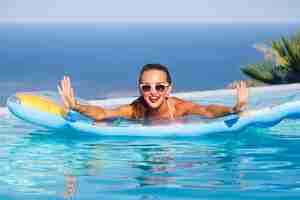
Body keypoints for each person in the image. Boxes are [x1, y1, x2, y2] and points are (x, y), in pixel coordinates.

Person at [58, 64, 248, 122]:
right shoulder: (135, 110)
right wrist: (76, 106)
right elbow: (103, 113)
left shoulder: (179, 108)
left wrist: (233, 109)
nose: (153, 92)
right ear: (140, 89)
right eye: (146, 87)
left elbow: (207, 111)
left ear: (169, 89)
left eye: (160, 87)